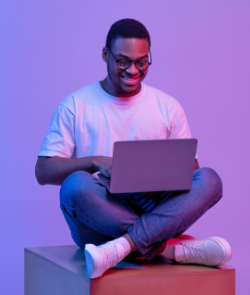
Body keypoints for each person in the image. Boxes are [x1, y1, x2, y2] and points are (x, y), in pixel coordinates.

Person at [35, 18, 232, 279]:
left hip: (154, 204)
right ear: (105, 54)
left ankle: (121, 247)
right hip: (102, 211)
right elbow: (44, 170)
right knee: (74, 186)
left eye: (142, 62)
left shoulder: (167, 106)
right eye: (123, 61)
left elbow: (191, 172)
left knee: (210, 179)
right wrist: (95, 162)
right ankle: (168, 249)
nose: (132, 70)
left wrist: (160, 175)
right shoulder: (75, 105)